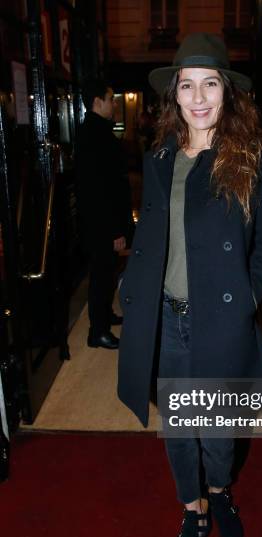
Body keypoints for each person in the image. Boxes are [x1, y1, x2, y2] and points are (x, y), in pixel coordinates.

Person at [117, 33, 262, 537]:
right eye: (186, 85)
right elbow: (154, 234)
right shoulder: (162, 154)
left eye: (209, 83)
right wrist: (134, 282)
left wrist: (250, 294)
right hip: (167, 318)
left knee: (215, 430)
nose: (197, 96)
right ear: (174, 96)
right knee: (177, 431)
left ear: (226, 92)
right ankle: (193, 516)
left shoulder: (255, 153)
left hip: (220, 318)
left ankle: (222, 495)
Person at [76, 78, 132, 350]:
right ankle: (97, 332)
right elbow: (101, 190)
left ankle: (105, 317)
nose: (114, 104)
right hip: (102, 224)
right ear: (98, 102)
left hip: (100, 222)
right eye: (111, 99)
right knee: (101, 275)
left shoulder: (95, 131)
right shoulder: (94, 134)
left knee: (106, 273)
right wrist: (116, 231)